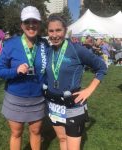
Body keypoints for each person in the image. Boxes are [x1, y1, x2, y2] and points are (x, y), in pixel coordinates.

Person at [43, 15, 107, 150]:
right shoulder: (49, 51)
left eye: (58, 30)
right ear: (47, 32)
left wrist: (89, 89)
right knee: (62, 139)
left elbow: (101, 67)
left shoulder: (76, 49)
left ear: (65, 30)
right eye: (51, 31)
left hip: (72, 105)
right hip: (54, 105)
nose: (54, 35)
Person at [0, 6, 48, 150]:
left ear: (39, 24)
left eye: (35, 21)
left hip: (38, 98)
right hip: (16, 98)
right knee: (16, 133)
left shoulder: (44, 44)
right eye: (27, 22)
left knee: (36, 132)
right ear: (21, 25)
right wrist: (15, 71)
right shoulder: (11, 44)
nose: (31, 25)